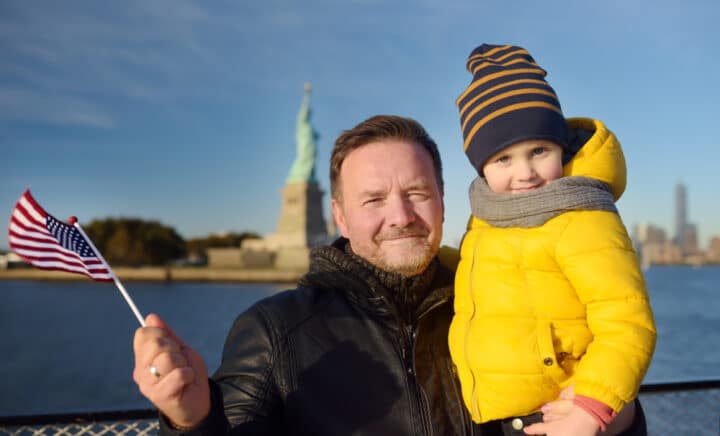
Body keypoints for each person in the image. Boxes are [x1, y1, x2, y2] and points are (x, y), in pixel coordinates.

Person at [133, 115, 644, 435]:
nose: (399, 216)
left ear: (443, 201)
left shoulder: (501, 303)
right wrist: (192, 420)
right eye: (373, 200)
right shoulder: (273, 330)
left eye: (417, 193)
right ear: (340, 216)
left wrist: (618, 421)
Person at [448, 44, 657, 436]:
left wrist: (591, 408)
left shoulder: (581, 216)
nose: (525, 172)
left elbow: (627, 321)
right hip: (497, 421)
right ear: (481, 167)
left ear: (561, 147)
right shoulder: (486, 221)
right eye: (503, 159)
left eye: (538, 151)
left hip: (562, 420)